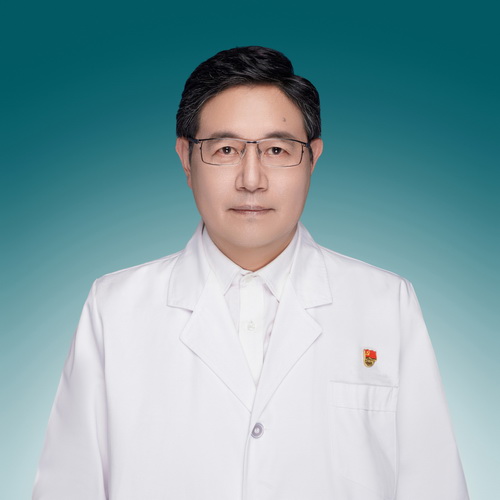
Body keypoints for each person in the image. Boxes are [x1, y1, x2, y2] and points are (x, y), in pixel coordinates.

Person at [33, 46, 469, 500]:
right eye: (226, 149)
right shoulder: (115, 309)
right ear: (185, 158)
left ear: (313, 158)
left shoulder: (385, 303)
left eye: (277, 150)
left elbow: (433, 483)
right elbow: (69, 485)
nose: (252, 179)